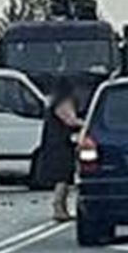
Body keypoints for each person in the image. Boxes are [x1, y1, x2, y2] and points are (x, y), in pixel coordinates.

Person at [35, 78, 85, 221]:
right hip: (60, 145)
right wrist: (86, 124)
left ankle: (61, 208)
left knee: (64, 177)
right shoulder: (64, 102)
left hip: (55, 143)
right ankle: (59, 208)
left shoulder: (54, 102)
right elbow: (70, 120)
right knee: (62, 177)